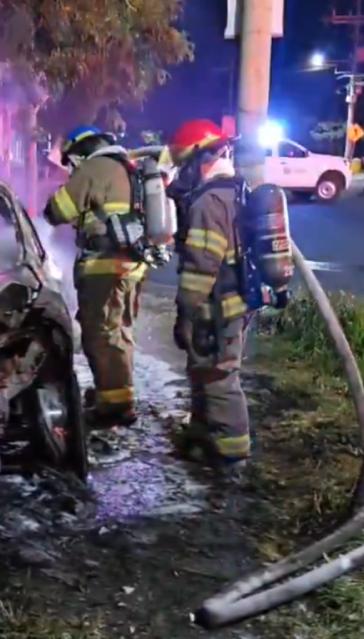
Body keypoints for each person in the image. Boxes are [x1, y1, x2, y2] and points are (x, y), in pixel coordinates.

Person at [165, 119, 253, 482]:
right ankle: (205, 434)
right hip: (233, 306)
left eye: (184, 164)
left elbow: (202, 266)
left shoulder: (208, 202)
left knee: (218, 378)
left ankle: (231, 458)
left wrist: (185, 313)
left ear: (200, 159)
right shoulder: (235, 190)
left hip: (216, 310)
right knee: (203, 371)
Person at [43, 125, 146, 427]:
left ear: (81, 151)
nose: (71, 167)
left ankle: (115, 408)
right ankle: (113, 395)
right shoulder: (126, 167)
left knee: (100, 335)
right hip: (131, 265)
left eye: (71, 161)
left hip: (105, 266)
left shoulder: (94, 169)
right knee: (118, 332)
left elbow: (56, 211)